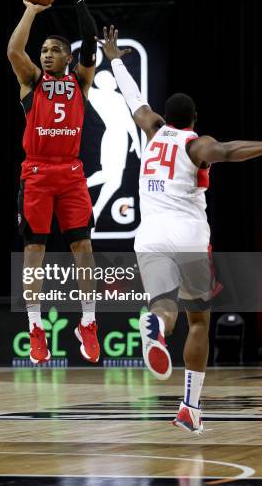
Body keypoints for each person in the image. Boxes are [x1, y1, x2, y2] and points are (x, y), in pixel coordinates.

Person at [102, 24, 262, 434]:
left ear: (164, 118)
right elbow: (225, 151)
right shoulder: (195, 143)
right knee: (199, 321)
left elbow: (134, 99)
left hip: (150, 235)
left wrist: (115, 57)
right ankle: (189, 405)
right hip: (190, 235)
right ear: (193, 119)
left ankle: (154, 327)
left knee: (163, 307)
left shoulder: (151, 131)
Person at [7, 0, 100, 364]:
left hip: (72, 173)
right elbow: (13, 49)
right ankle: (35, 327)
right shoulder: (31, 82)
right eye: (43, 50)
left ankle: (89, 323)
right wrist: (32, 8)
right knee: (34, 255)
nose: (46, 54)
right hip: (38, 173)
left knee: (83, 249)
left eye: (53, 50)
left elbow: (91, 40)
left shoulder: (80, 80)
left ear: (67, 57)